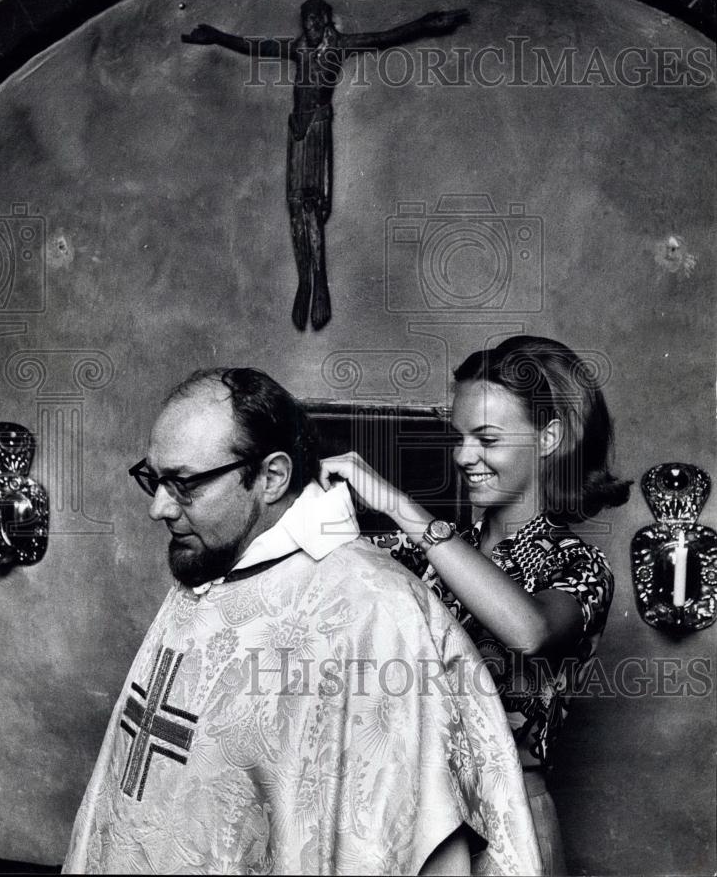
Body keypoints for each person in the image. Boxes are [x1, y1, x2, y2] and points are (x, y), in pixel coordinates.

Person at [63, 366, 542, 875]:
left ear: (272, 477)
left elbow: (389, 829)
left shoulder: (374, 609)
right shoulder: (209, 566)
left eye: (183, 484)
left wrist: (397, 507)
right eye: (154, 479)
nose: (159, 507)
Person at [320, 335, 632, 876]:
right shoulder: (425, 553)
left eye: (486, 438)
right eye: (459, 437)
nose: (464, 456)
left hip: (509, 823)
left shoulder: (580, 566)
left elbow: (528, 629)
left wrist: (397, 504)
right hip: (414, 821)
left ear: (549, 438)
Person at [182, 0, 469, 331]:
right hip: (297, 129)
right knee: (295, 207)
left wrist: (428, 22)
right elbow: (254, 46)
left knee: (313, 204)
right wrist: (217, 36)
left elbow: (387, 37)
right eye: (306, 19)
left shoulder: (340, 45)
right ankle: (305, 280)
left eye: (316, 17)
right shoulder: (298, 49)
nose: (311, 24)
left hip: (318, 126)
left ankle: (319, 284)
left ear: (327, 19)